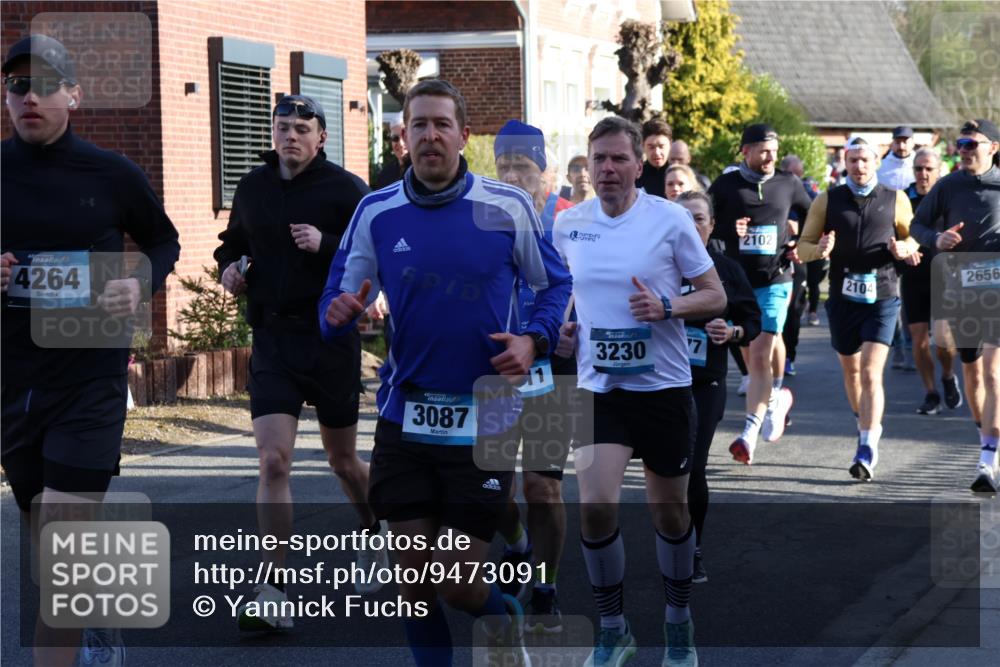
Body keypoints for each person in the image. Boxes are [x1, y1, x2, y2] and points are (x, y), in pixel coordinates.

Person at [320, 79, 572, 666]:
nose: (430, 135)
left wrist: (534, 340)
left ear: (463, 135)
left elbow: (552, 283)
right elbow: (337, 296)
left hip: (484, 419)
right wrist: (335, 315)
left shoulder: (507, 206)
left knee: (458, 585)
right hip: (405, 417)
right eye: (418, 125)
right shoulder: (376, 211)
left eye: (441, 124)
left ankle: (506, 616)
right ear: (403, 137)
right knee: (413, 588)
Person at [1, 34, 181, 667]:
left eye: (46, 84)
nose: (30, 97)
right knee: (42, 525)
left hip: (91, 376)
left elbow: (164, 242)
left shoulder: (112, 174)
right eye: (18, 86)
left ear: (74, 95)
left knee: (61, 524)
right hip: (14, 380)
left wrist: (138, 281)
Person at [554, 116, 727, 667]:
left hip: (663, 388)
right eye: (599, 159)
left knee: (669, 515)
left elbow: (715, 294)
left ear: (637, 165)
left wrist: (667, 306)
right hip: (600, 388)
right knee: (595, 506)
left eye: (618, 159)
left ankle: (678, 622)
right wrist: (559, 327)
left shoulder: (670, 220)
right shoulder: (569, 224)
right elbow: (561, 292)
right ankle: (613, 628)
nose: (607, 169)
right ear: (588, 165)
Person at [214, 94, 387, 630]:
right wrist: (231, 270)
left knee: (342, 461)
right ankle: (273, 585)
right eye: (283, 126)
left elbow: (376, 251)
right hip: (272, 338)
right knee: (273, 462)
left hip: (329, 340)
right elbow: (232, 243)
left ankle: (374, 532)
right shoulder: (253, 186)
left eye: (302, 128)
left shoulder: (345, 189)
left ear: (321, 138)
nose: (291, 136)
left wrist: (327, 242)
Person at [491, 119, 574, 633]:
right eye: (505, 166)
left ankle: (544, 586)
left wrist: (577, 327)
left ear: (546, 172)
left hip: (553, 369)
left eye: (523, 167)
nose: (514, 176)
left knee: (542, 488)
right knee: (491, 486)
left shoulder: (568, 219)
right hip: (495, 369)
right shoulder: (481, 216)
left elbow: (594, 284)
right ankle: (518, 544)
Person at [796, 136, 919, 480]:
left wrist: (903, 248)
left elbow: (913, 238)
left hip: (883, 293)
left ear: (876, 162)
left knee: (869, 372)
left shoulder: (895, 199)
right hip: (843, 296)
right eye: (853, 161)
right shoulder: (828, 200)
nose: (860, 167)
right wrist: (819, 250)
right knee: (851, 371)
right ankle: (863, 420)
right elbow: (802, 247)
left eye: (865, 160)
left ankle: (867, 444)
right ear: (845, 162)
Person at [709, 124, 812, 464]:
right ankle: (777, 395)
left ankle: (748, 432)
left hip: (776, 277)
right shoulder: (726, 185)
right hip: (739, 282)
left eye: (774, 149)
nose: (770, 156)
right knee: (748, 346)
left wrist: (801, 243)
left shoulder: (788, 183)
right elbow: (705, 223)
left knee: (759, 351)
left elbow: (813, 215)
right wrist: (728, 229)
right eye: (763, 150)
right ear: (745, 152)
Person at [909, 118, 1000, 493]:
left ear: (993, 147)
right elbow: (917, 225)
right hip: (960, 285)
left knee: (993, 373)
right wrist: (937, 238)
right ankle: (987, 437)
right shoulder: (948, 185)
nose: (963, 149)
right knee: (973, 375)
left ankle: (987, 461)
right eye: (961, 143)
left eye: (971, 143)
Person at [676, 191, 761, 585]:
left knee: (693, 466)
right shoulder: (659, 267)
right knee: (666, 468)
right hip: (658, 382)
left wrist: (732, 330)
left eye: (698, 218)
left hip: (705, 382)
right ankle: (671, 538)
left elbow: (752, 321)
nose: (692, 226)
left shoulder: (726, 270)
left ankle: (692, 548)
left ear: (711, 225)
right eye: (684, 218)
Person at [900, 147, 963, 415]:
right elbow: (893, 232)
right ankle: (931, 393)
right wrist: (902, 249)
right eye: (918, 169)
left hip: (944, 277)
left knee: (943, 340)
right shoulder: (903, 199)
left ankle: (948, 375)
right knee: (918, 340)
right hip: (913, 277)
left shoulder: (950, 197)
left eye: (928, 169)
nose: (923, 174)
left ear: (939, 171)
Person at [778, 154, 819, 376]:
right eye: (795, 174)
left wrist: (800, 229)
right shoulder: (772, 189)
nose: (798, 179)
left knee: (793, 310)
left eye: (800, 174)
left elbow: (817, 218)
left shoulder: (806, 192)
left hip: (798, 255)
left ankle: (788, 356)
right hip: (773, 257)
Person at [635, 118, 672, 199]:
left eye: (661, 146)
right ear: (643, 146)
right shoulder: (635, 177)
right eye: (651, 147)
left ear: (670, 145)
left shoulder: (680, 177)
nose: (657, 152)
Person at [877, 126, 916, 191]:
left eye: (905, 142)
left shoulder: (920, 166)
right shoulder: (880, 167)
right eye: (897, 142)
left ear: (913, 143)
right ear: (892, 144)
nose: (901, 147)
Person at [374, 119, 410, 188]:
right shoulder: (385, 175)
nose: (401, 144)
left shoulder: (422, 171)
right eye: (395, 138)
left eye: (405, 137)